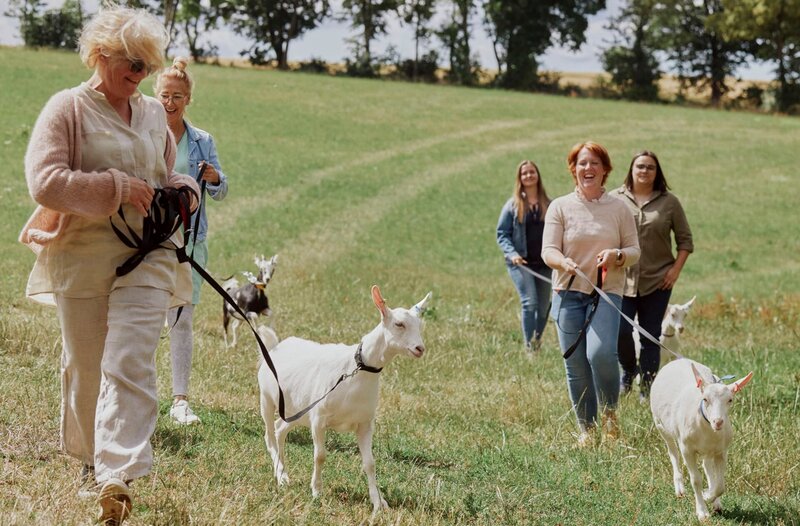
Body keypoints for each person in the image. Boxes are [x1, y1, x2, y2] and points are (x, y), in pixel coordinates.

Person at [18, 7, 199, 525]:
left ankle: (115, 475)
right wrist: (116, 188)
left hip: (146, 254)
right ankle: (88, 462)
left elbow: (164, 175)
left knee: (132, 358)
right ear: (100, 55)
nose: (140, 75)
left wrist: (182, 191)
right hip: (82, 255)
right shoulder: (67, 109)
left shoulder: (150, 115)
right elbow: (45, 182)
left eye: (147, 66)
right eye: (132, 63)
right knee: (87, 367)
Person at [542, 141, 640, 447]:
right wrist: (563, 262)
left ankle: (610, 414)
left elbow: (635, 250)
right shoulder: (559, 206)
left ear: (605, 170)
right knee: (575, 364)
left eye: (595, 163)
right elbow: (548, 251)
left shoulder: (620, 208)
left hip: (606, 292)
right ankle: (587, 429)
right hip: (568, 292)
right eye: (582, 163)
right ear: (573, 169)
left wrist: (617, 256)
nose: (588, 168)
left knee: (599, 353)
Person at [156, 57, 229, 425]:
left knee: (181, 319)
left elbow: (221, 190)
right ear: (155, 96)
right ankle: (137, 392)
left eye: (178, 96)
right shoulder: (144, 132)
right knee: (146, 318)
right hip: (149, 239)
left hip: (189, 243)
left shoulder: (203, 141)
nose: (170, 102)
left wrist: (215, 177)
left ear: (188, 99)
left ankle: (180, 400)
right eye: (165, 95)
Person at [612, 151, 693, 400]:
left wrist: (675, 270)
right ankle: (628, 371)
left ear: (657, 172)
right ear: (631, 169)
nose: (644, 171)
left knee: (650, 335)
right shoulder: (615, 199)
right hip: (620, 280)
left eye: (650, 167)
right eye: (640, 166)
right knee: (621, 332)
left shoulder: (669, 202)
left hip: (658, 281)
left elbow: (685, 241)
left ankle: (647, 389)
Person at [496, 160, 552, 354]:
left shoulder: (549, 204)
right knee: (530, 302)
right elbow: (502, 233)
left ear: (537, 175)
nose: (528, 176)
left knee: (544, 308)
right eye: (524, 173)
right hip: (522, 263)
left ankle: (537, 341)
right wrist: (512, 254)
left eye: (532, 172)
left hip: (544, 263)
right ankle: (530, 348)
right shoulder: (513, 206)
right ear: (519, 178)